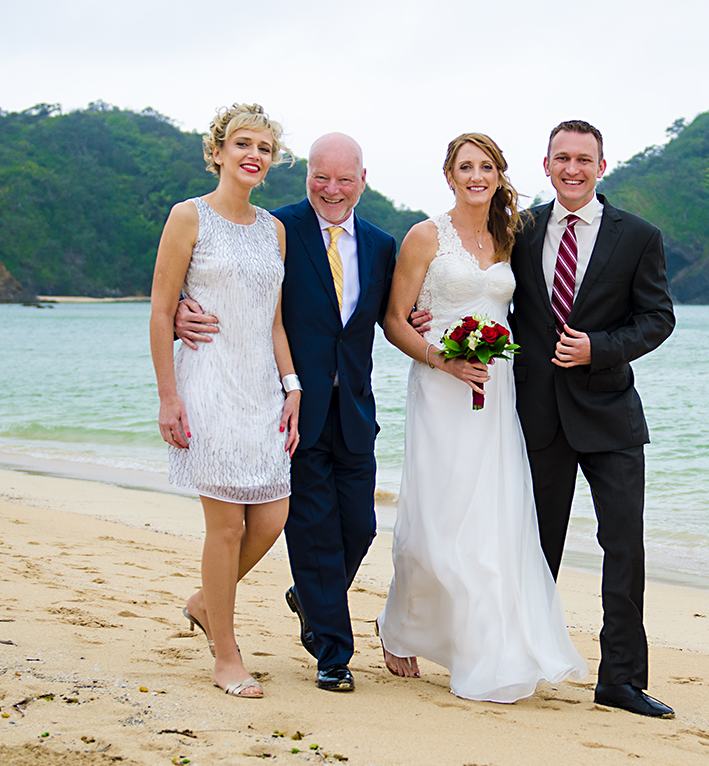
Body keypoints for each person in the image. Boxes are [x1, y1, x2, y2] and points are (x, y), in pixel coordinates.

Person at [176, 133, 401, 693]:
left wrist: (430, 329)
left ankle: (308, 597)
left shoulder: (380, 244)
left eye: (344, 179)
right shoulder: (274, 228)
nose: (331, 189)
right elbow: (218, 276)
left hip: (354, 408)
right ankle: (332, 653)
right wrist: (183, 308)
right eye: (320, 177)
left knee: (360, 526)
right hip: (285, 408)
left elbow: (395, 313)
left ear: (363, 181)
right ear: (306, 178)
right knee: (312, 532)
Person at [376, 132, 587, 702]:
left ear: (498, 174)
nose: (476, 176)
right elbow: (395, 319)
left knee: (495, 518)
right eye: (466, 167)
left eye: (486, 166)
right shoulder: (425, 236)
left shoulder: (511, 236)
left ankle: (488, 646)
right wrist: (441, 360)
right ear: (449, 175)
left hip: (497, 392)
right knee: (435, 517)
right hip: (440, 389)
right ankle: (399, 626)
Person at [510, 120, 676, 717]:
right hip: (536, 415)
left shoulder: (638, 236)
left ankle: (622, 681)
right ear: (547, 164)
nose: (572, 168)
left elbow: (658, 319)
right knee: (534, 547)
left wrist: (597, 347)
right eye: (562, 158)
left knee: (624, 547)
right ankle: (521, 659)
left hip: (610, 416)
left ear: (601, 166)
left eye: (584, 159)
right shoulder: (520, 230)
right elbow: (486, 293)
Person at [149, 103, 300, 699]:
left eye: (264, 147)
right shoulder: (188, 217)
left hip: (262, 386)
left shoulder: (274, 229)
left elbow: (276, 323)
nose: (253, 155)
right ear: (217, 152)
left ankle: (204, 602)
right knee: (227, 526)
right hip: (207, 381)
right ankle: (227, 655)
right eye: (242, 144)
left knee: (271, 516)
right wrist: (169, 396)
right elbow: (163, 309)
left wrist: (293, 389)